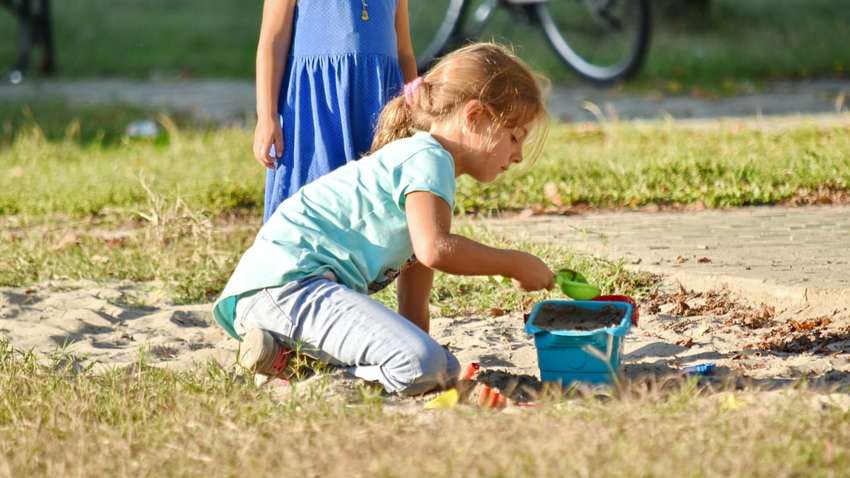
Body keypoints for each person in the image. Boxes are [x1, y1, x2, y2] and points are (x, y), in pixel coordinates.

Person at [214, 43, 554, 396]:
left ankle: (282, 359)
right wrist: (515, 264)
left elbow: (414, 297)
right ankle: (312, 381)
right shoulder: (429, 159)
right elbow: (436, 250)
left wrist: (425, 351)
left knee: (439, 366)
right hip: (287, 288)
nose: (518, 155)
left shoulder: (429, 169)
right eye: (514, 137)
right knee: (424, 366)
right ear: (475, 116)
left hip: (281, 295)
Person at [253, 0, 417, 222]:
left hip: (379, 105)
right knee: (315, 194)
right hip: (317, 106)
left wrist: (413, 108)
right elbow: (273, 41)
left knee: (375, 201)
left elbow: (404, 52)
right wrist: (267, 116)